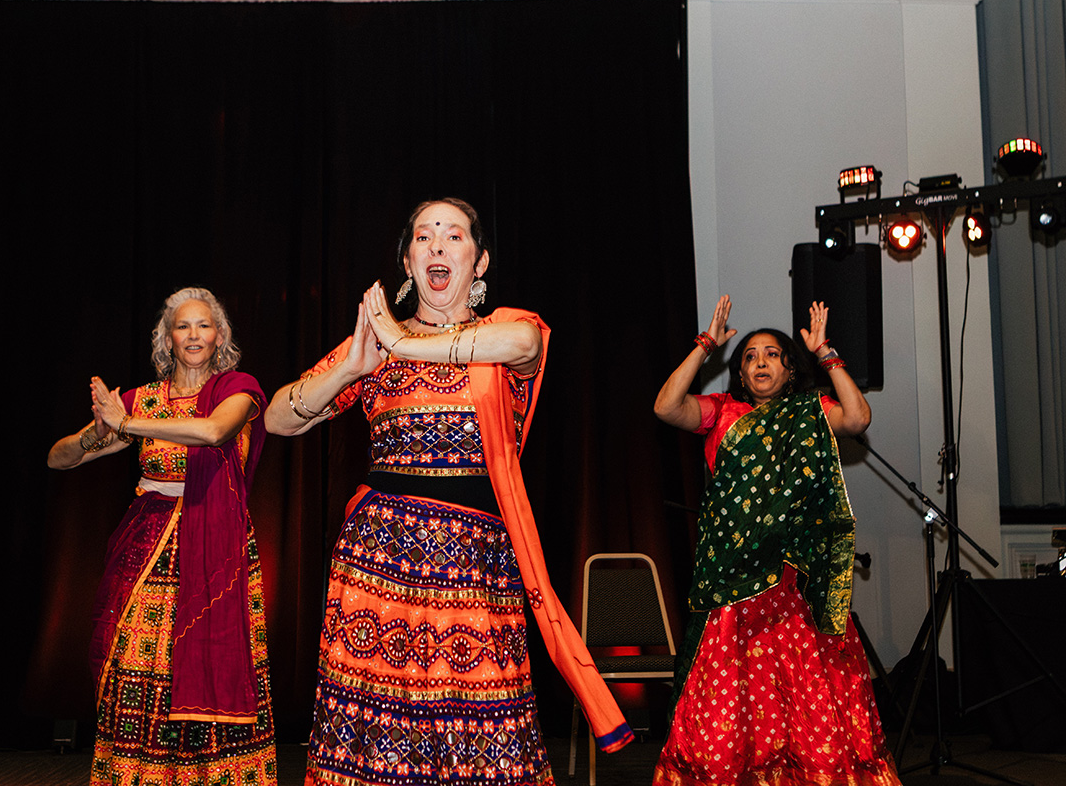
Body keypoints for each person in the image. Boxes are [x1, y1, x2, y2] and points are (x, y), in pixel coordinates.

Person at [264, 198, 631, 786]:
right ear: (408, 262)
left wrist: (403, 345)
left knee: (485, 728)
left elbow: (523, 347)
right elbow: (279, 419)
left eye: (453, 236)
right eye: (424, 237)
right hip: (376, 564)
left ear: (478, 263)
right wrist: (350, 368)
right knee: (377, 733)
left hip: (476, 562)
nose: (438, 245)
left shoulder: (508, 330)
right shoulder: (375, 347)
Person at [650, 295, 901, 786]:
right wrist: (706, 345)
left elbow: (857, 418)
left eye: (772, 355)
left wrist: (825, 352)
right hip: (734, 587)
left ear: (790, 371)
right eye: (749, 356)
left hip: (797, 585)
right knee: (730, 703)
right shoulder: (721, 412)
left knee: (805, 695)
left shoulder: (810, 413)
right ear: (741, 375)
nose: (760, 362)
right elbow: (665, 406)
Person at [48, 287, 277, 786]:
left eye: (203, 326)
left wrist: (128, 423)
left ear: (219, 337)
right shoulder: (142, 400)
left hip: (217, 554)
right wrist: (98, 431)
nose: (193, 335)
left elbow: (213, 432)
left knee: (213, 666)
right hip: (148, 548)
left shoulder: (237, 390)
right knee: (138, 666)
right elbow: (59, 458)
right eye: (182, 326)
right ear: (167, 338)